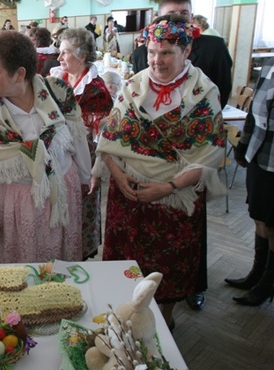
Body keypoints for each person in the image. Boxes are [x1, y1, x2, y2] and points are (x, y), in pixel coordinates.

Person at [94, 14, 226, 329]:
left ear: (187, 50)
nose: (157, 60)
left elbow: (207, 155)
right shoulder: (133, 86)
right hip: (129, 195)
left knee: (167, 272)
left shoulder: (204, 93)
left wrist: (167, 187)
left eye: (167, 52)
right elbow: (109, 138)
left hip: (175, 197)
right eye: (153, 51)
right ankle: (123, 319)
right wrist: (117, 173)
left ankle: (163, 326)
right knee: (126, 266)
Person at [130, 0, 233, 311]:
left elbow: (221, 94)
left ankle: (188, 288)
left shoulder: (213, 49)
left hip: (187, 167)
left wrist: (186, 136)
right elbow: (133, 110)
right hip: (144, 171)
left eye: (182, 15)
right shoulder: (142, 53)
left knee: (183, 246)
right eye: (164, 16)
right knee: (142, 249)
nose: (173, 20)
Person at [0, 31, 91, 263]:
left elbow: (77, 137)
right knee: (23, 259)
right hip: (20, 201)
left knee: (60, 256)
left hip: (62, 191)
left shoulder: (57, 92)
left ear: (20, 74)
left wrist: (85, 177)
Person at [50, 28, 114, 259]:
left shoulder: (95, 89)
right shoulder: (57, 79)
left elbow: (102, 136)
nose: (59, 58)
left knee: (83, 206)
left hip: (84, 158)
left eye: (64, 52)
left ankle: (80, 255)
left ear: (82, 55)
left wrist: (94, 171)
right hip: (58, 157)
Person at [226, 58, 274, 306]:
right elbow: (254, 113)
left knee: (273, 222)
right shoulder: (269, 65)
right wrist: (242, 147)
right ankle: (256, 273)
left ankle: (268, 283)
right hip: (259, 156)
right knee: (259, 216)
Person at [131, 0, 232, 107]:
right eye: (171, 14)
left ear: (191, 17)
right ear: (159, 18)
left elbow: (223, 89)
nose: (178, 19)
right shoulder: (141, 54)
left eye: (184, 14)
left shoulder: (215, 47)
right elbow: (139, 93)